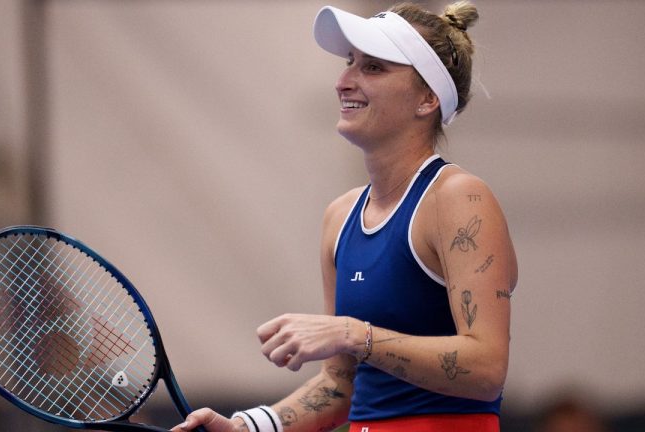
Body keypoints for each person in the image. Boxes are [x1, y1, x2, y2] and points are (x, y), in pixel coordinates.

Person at [173, 2, 517, 431]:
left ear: (428, 98)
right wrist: (247, 427)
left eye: (372, 68)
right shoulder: (341, 215)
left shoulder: (460, 199)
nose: (342, 82)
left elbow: (486, 371)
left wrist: (355, 334)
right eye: (348, 63)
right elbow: (342, 384)